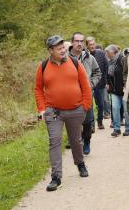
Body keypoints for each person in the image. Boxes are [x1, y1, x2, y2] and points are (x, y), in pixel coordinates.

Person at [35, 35, 92, 191]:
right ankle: (56, 177)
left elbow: (85, 85)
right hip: (53, 111)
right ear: (50, 50)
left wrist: (85, 106)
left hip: (75, 110)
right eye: (59, 48)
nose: (62, 50)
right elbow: (38, 89)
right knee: (54, 141)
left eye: (63, 47)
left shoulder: (75, 63)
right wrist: (42, 109)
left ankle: (80, 163)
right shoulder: (43, 66)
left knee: (75, 140)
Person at [70, 32, 101, 155]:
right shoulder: (65, 58)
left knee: (87, 121)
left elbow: (97, 73)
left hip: (86, 94)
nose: (79, 43)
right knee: (73, 121)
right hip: (70, 95)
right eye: (77, 41)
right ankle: (78, 141)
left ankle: (87, 140)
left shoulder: (89, 57)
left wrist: (91, 85)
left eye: (81, 41)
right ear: (72, 42)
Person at [105, 44, 129, 137]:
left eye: (108, 52)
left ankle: (128, 129)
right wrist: (107, 83)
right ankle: (117, 129)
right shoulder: (110, 62)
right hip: (114, 90)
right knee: (115, 109)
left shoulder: (122, 59)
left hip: (124, 90)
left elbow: (127, 73)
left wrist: (126, 86)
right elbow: (108, 74)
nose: (107, 54)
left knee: (126, 110)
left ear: (114, 52)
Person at [86, 36, 108, 129]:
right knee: (89, 105)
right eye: (90, 44)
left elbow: (106, 68)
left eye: (93, 44)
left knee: (101, 104)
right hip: (88, 85)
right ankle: (91, 124)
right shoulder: (84, 55)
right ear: (87, 46)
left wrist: (107, 82)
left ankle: (99, 121)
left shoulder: (101, 54)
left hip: (100, 84)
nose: (92, 46)